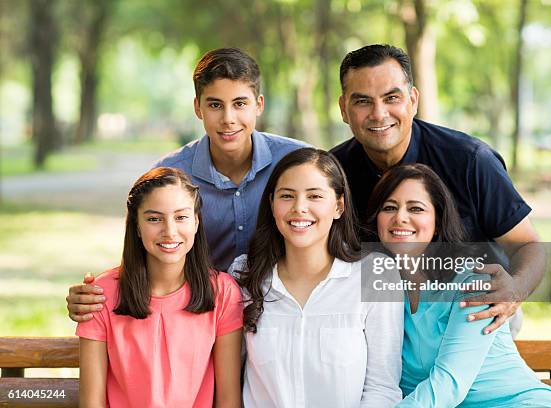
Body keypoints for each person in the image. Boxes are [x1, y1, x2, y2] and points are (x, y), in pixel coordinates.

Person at [66, 48, 307, 322]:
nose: (228, 118)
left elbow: (340, 243)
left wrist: (368, 301)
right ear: (198, 107)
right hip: (199, 318)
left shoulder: (299, 164)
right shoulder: (169, 174)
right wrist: (98, 294)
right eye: (215, 105)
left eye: (240, 104)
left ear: (259, 105)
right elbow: (145, 253)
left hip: (284, 316)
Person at [330, 44, 544, 335]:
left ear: (413, 100)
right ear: (344, 109)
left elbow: (528, 244)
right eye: (363, 101)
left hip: (474, 314)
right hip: (382, 320)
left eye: (392, 98)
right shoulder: (332, 173)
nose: (379, 114)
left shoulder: (470, 160)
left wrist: (514, 291)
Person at [367, 163, 551, 408]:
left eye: (416, 208)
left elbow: (449, 383)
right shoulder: (378, 292)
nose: (400, 217)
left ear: (437, 222)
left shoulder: (474, 282)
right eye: (389, 207)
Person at [232, 147, 403, 407]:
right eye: (287, 196)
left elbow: (382, 387)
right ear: (272, 204)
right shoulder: (244, 274)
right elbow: (231, 379)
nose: (299, 208)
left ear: (339, 206)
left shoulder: (374, 273)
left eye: (314, 196)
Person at [77, 167, 243, 407]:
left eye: (181, 217)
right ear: (136, 225)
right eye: (154, 219)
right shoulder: (101, 294)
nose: (169, 231)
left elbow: (228, 400)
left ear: (196, 222)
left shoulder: (223, 292)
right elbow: (92, 403)